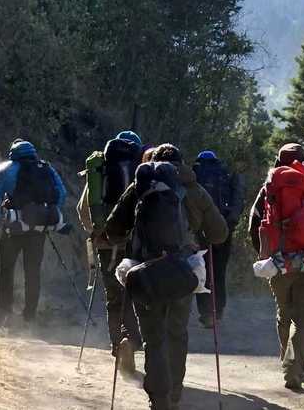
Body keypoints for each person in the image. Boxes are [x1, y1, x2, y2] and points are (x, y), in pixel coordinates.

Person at [104, 143, 228, 410]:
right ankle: (174, 393)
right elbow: (220, 234)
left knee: (154, 337)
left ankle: (158, 399)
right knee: (177, 333)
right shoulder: (195, 190)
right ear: (182, 164)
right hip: (181, 273)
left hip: (144, 273)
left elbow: (112, 230)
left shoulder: (140, 186)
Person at [247, 142, 304, 392]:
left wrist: (265, 255)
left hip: (279, 261)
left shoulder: (270, 187)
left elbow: (254, 223)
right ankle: (294, 367)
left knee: (284, 312)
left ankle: (287, 360)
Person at [76, 130, 144, 375]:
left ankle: (118, 346)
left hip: (106, 244)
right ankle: (133, 340)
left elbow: (83, 209)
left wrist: (96, 231)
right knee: (136, 295)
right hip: (136, 246)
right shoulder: (141, 170)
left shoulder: (100, 169)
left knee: (114, 298)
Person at [0, 138, 68, 324]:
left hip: (12, 228)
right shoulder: (46, 169)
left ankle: (5, 311)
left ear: (13, 154)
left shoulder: (6, 168)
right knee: (33, 272)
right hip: (38, 230)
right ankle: (29, 315)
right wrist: (45, 214)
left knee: (7, 269)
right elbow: (61, 193)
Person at [192, 149, 244, 327]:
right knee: (219, 271)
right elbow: (237, 199)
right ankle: (218, 311)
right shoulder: (225, 173)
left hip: (200, 232)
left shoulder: (194, 173)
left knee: (201, 270)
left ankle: (206, 312)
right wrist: (231, 223)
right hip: (223, 228)